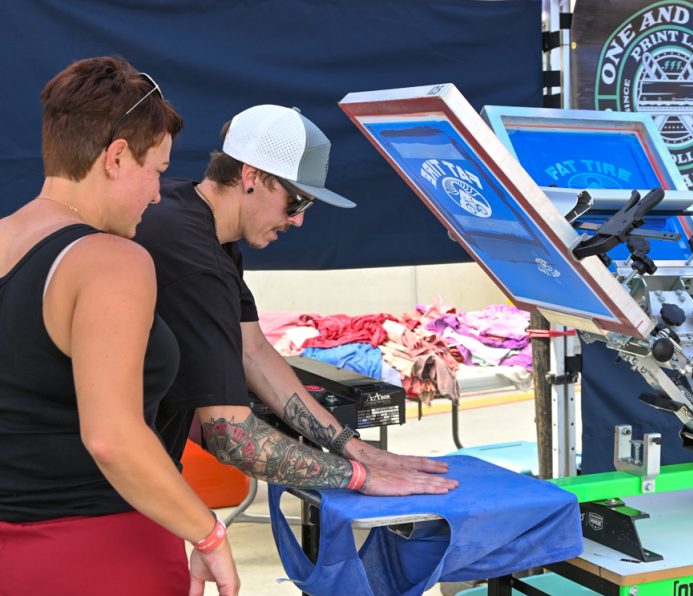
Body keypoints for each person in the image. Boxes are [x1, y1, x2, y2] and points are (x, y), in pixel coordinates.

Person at [0, 57, 240, 596]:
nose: (157, 193)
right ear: (114, 157)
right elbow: (114, 436)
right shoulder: (109, 260)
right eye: (155, 170)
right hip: (103, 562)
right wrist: (208, 535)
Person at [136, 104, 458, 496]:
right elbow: (231, 435)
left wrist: (356, 449)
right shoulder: (196, 261)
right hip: (103, 490)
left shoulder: (192, 216)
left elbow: (253, 352)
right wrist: (361, 477)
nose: (299, 220)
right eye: (297, 202)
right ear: (251, 176)